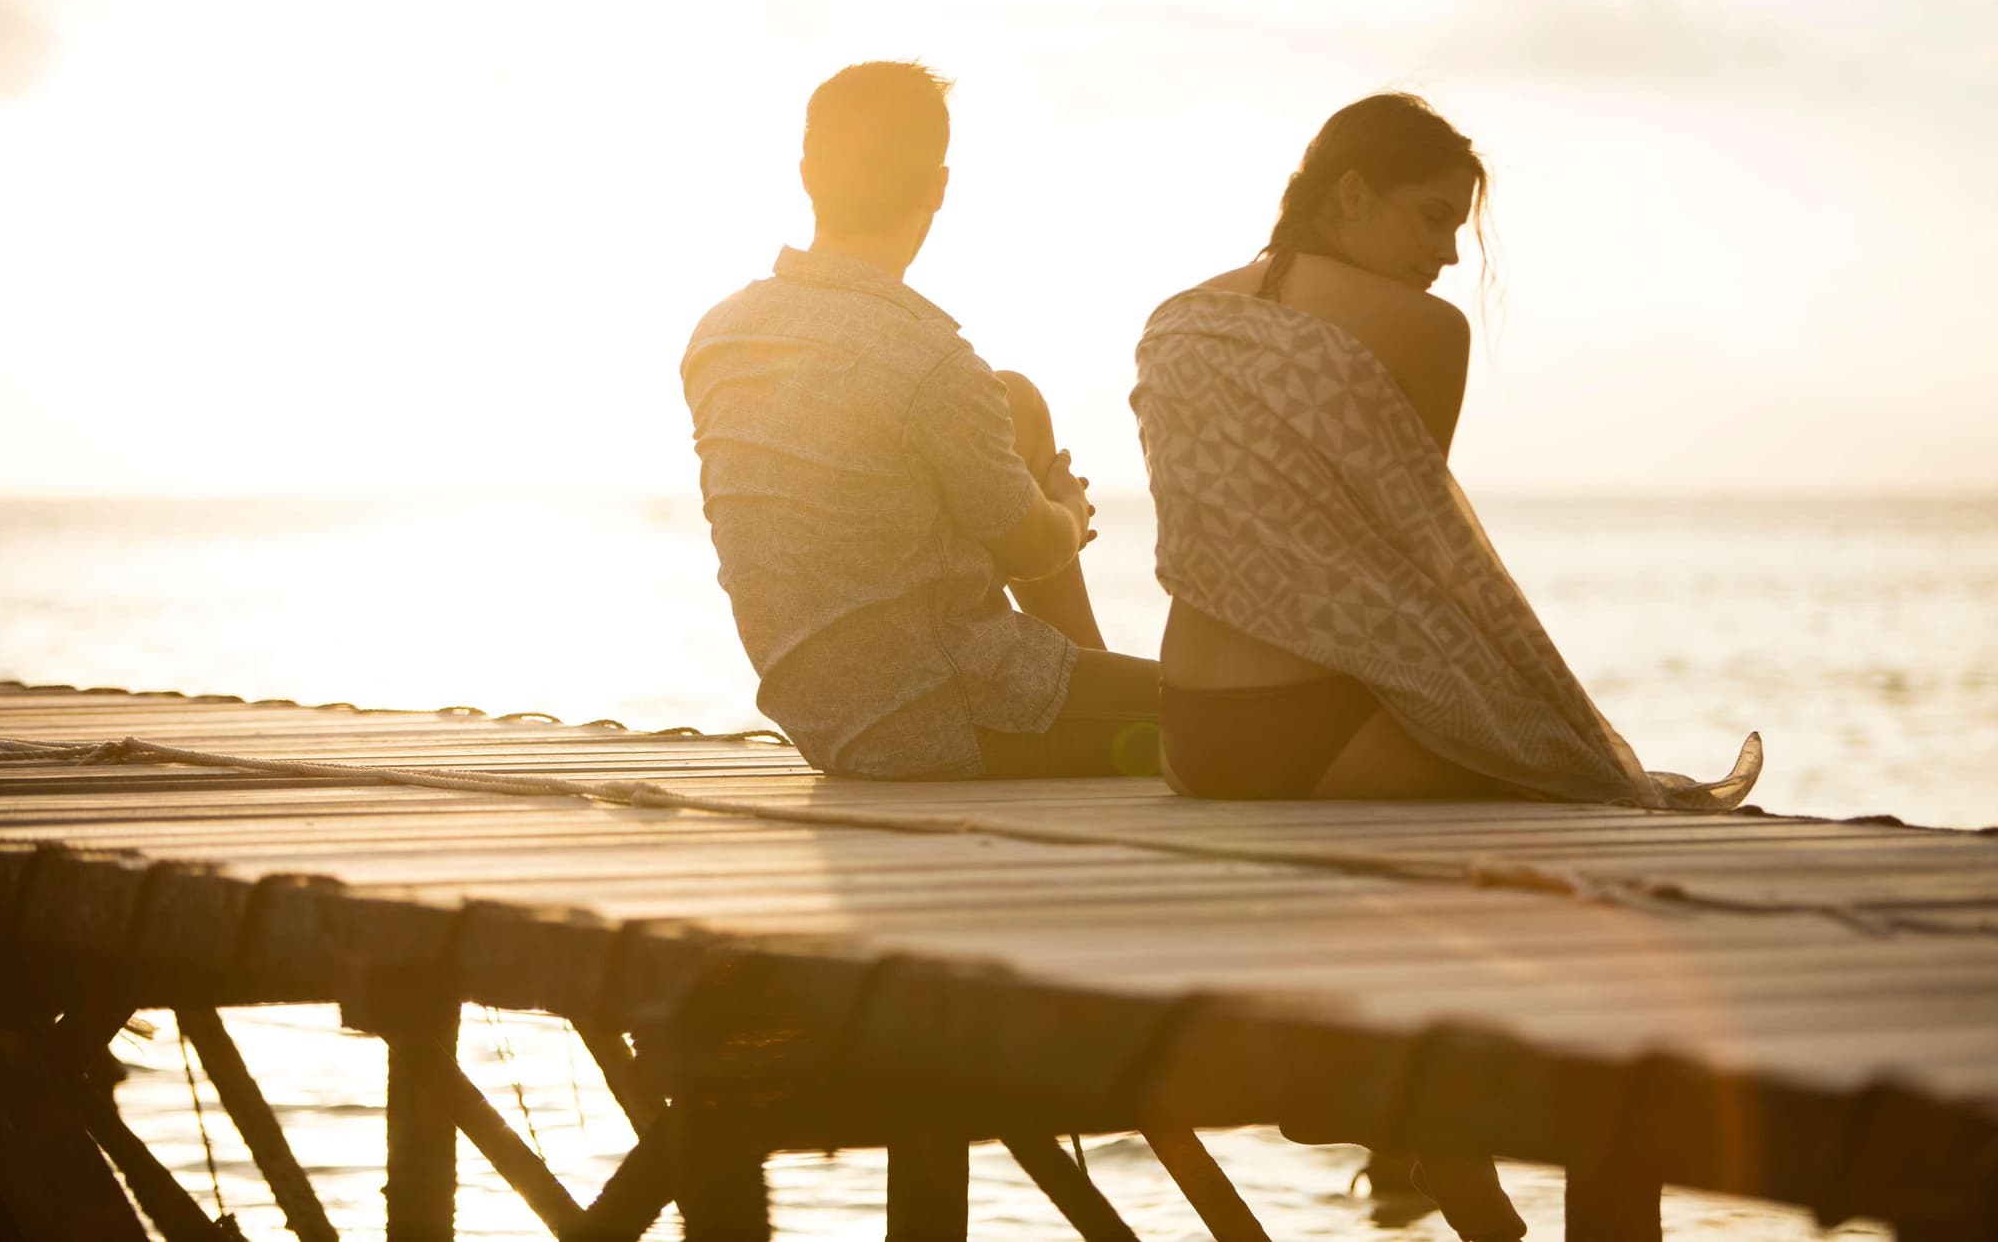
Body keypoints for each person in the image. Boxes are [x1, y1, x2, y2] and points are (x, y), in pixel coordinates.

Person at [1131, 92, 1759, 812]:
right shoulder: (1428, 329)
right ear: (1354, 193)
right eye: (1433, 218)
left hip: (1185, 732)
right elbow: (1417, 558)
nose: (1450, 254)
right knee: (1586, 779)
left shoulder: (1177, 324)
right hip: (1309, 730)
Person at [683, 61, 1159, 781]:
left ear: (809, 174)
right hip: (944, 714)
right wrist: (1069, 506)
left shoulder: (721, 337)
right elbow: (1035, 550)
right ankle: (1084, 691)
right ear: (938, 188)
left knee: (1015, 400)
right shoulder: (932, 363)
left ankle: (1084, 670)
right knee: (1238, 716)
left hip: (823, 715)